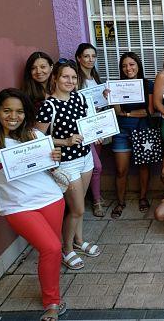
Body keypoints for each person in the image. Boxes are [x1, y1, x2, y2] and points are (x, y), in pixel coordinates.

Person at [0, 89, 65, 321]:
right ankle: (52, 303)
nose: (13, 116)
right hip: (17, 206)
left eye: (19, 111)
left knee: (51, 250)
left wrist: (54, 159)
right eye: (7, 110)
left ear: (26, 114)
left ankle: (52, 288)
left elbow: (48, 169)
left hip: (51, 199)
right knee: (52, 248)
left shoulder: (34, 135)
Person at [36, 60, 101, 270]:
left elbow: (89, 123)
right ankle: (66, 249)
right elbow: (37, 138)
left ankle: (79, 240)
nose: (70, 81)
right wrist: (64, 141)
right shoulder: (49, 106)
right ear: (55, 78)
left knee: (79, 205)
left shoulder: (80, 98)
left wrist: (97, 133)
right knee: (77, 208)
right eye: (65, 76)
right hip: (66, 163)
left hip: (85, 157)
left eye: (73, 77)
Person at [110, 52, 155, 218]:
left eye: (132, 64)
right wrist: (111, 99)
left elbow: (149, 111)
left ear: (138, 65)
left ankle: (143, 197)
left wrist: (128, 114)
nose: (128, 68)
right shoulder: (116, 86)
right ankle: (120, 202)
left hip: (143, 130)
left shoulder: (148, 84)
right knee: (121, 169)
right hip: (121, 131)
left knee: (144, 166)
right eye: (124, 65)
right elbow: (117, 111)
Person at [74, 43, 106, 218]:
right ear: (79, 58)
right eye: (86, 56)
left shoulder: (95, 77)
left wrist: (106, 96)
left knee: (95, 164)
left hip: (98, 125)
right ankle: (96, 201)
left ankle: (96, 194)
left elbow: (98, 104)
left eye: (93, 56)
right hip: (84, 128)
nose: (90, 59)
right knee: (96, 167)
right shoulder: (76, 80)